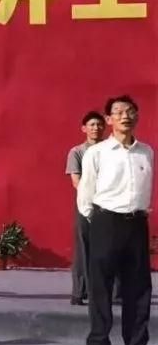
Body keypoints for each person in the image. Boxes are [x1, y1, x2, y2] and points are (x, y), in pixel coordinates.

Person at [77, 95, 155, 345]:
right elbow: (85, 192)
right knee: (101, 287)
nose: (125, 116)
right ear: (109, 119)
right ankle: (99, 344)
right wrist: (97, 220)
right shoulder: (97, 153)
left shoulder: (146, 152)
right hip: (106, 221)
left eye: (130, 111)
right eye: (119, 112)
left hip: (136, 224)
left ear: (137, 116)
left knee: (139, 289)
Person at [65, 111, 106, 306]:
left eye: (99, 124)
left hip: (109, 205)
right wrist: (92, 198)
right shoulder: (77, 152)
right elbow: (76, 181)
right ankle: (79, 292)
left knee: (109, 248)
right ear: (84, 129)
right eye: (92, 125)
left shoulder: (110, 151)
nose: (96, 128)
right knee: (84, 248)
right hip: (85, 204)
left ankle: (110, 292)